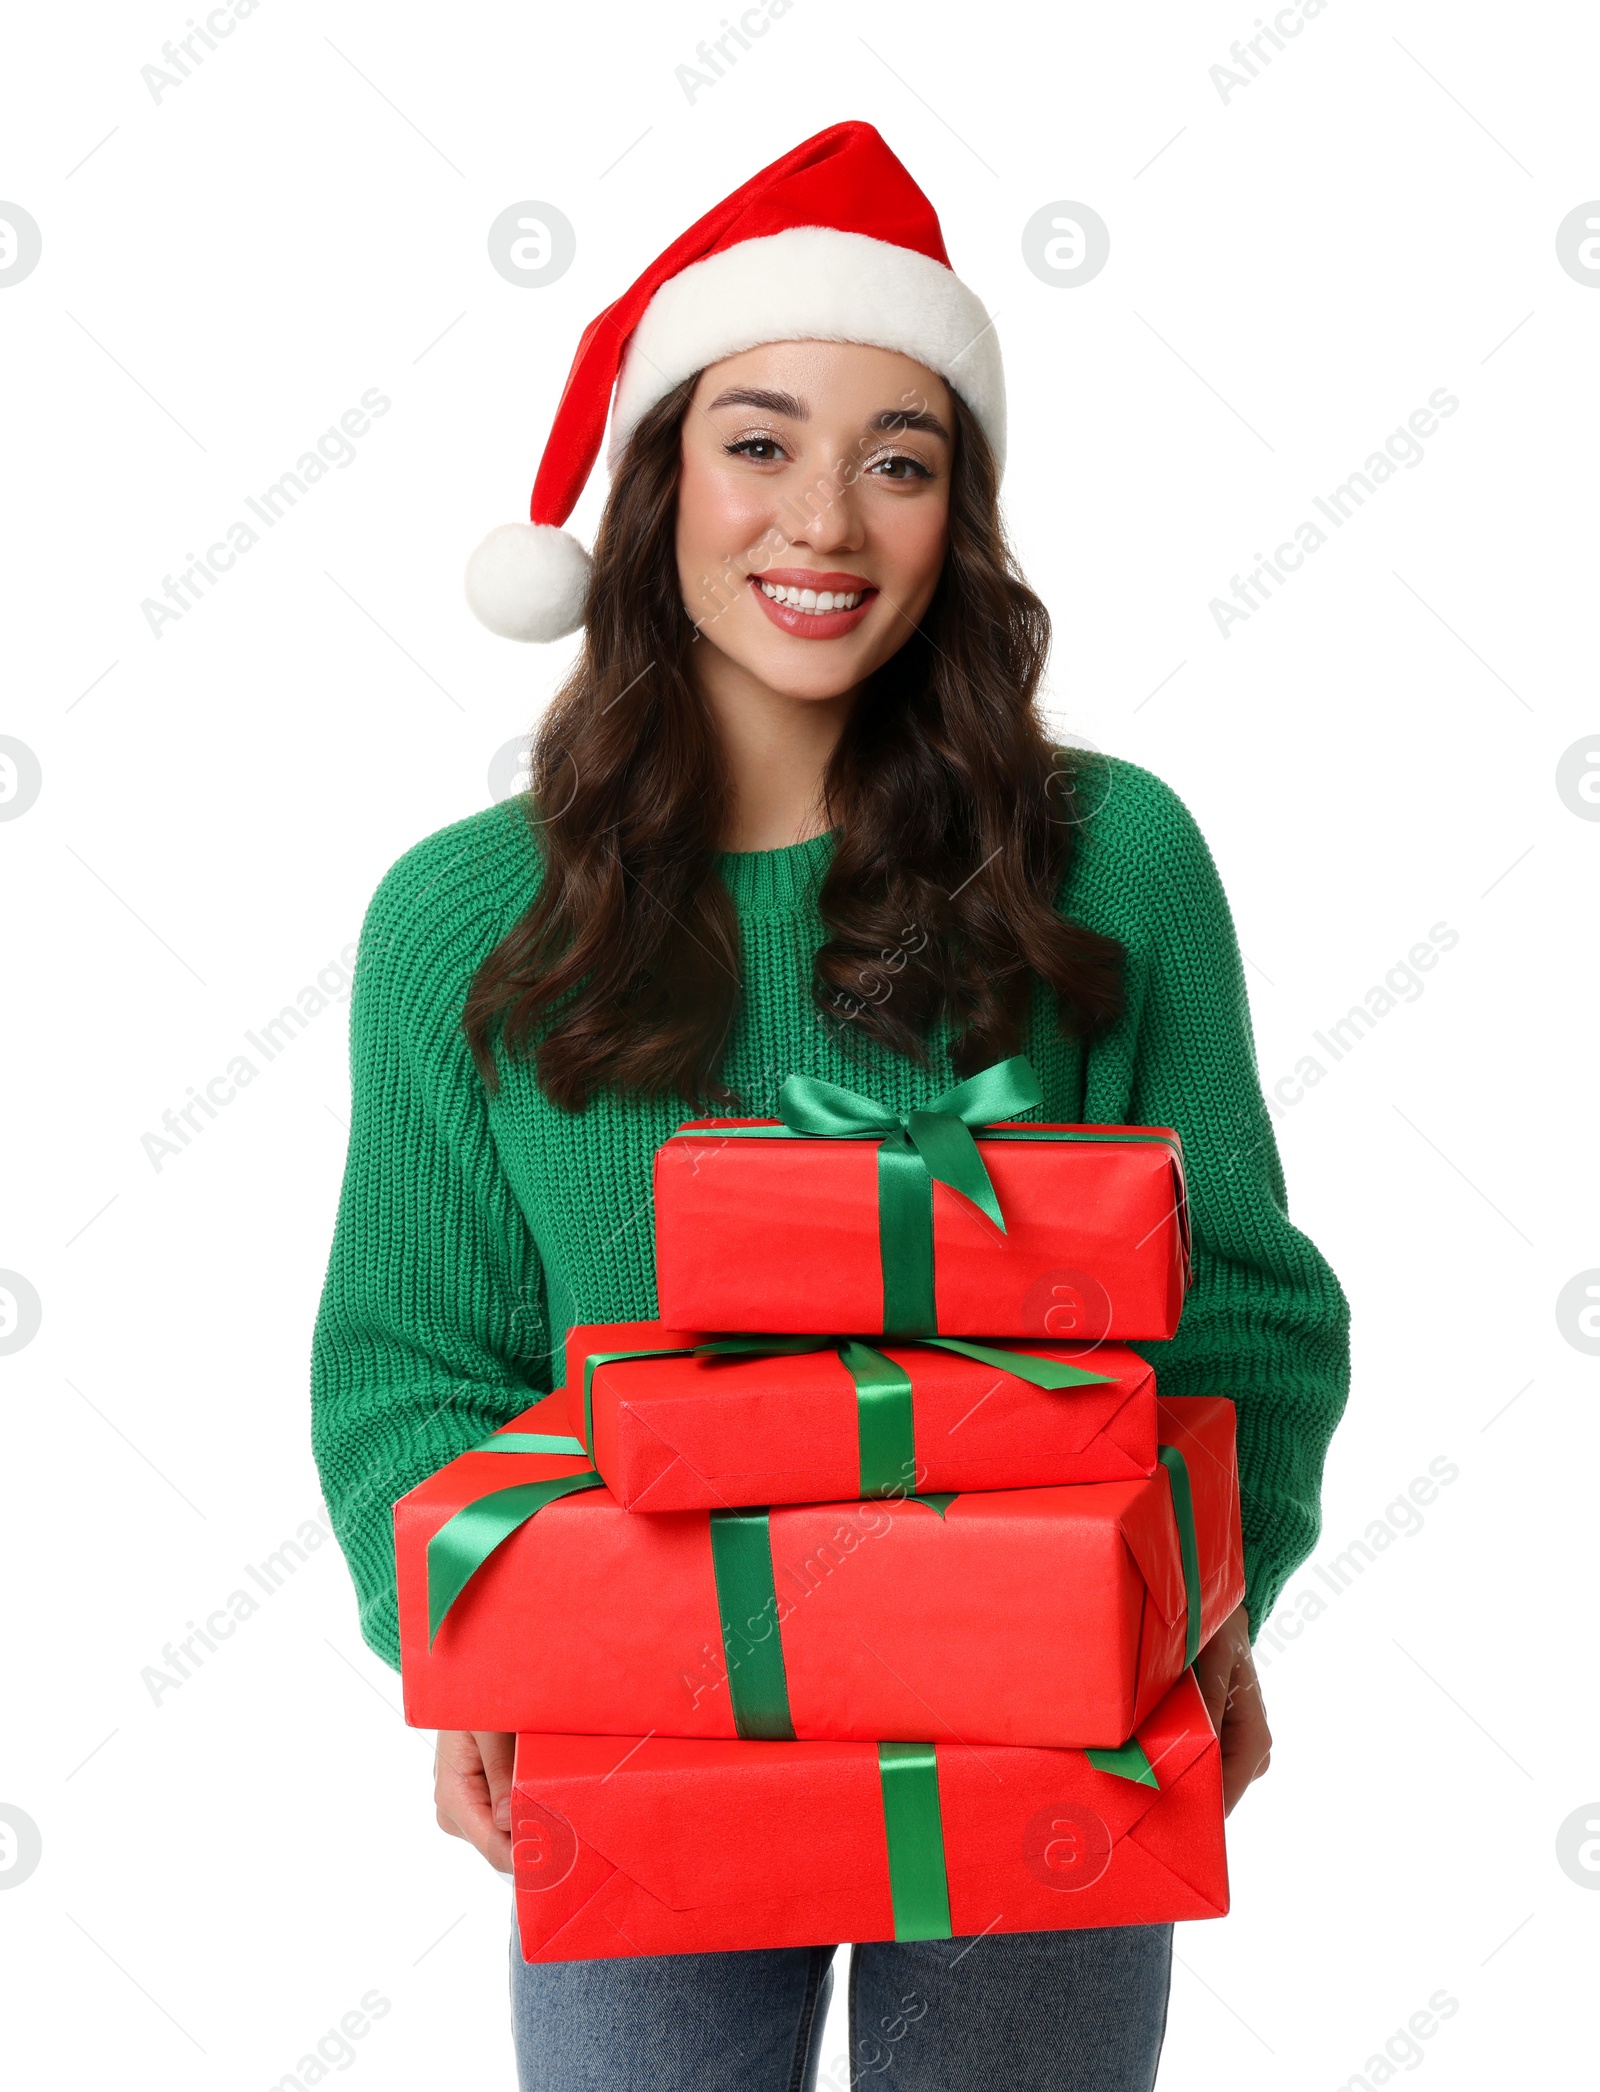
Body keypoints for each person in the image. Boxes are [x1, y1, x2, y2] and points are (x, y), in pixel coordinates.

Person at [310, 122, 1349, 2092]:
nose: (824, 522)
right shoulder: (464, 918)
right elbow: (409, 1358)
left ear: (956, 517)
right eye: (758, 441)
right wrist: (470, 1621)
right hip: (641, 1713)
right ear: (656, 486)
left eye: (900, 458)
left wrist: (1202, 1588)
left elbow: (1237, 1302)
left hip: (1046, 1705)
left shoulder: (1101, 859)